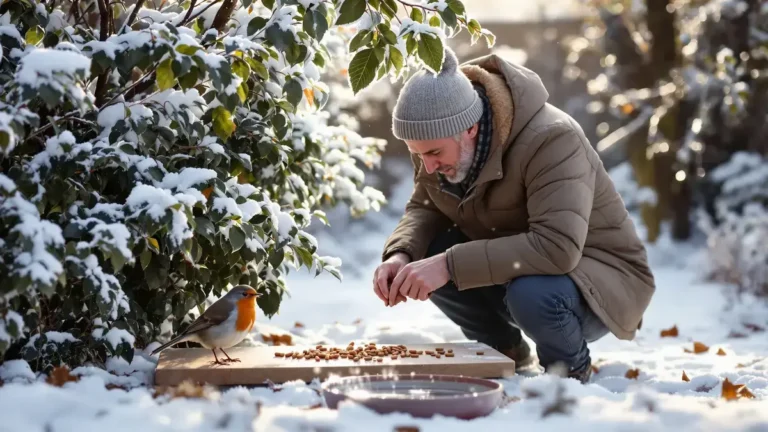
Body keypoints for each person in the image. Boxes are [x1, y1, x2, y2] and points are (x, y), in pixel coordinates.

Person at [373, 47, 656, 383]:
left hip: (597, 281)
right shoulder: (437, 145)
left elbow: (557, 248)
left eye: (434, 152)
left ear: (470, 128)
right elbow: (426, 207)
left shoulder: (552, 139)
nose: (427, 165)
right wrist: (401, 254)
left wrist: (448, 265)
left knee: (528, 290)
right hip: (518, 273)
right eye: (417, 154)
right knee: (428, 251)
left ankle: (567, 373)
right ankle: (504, 351)